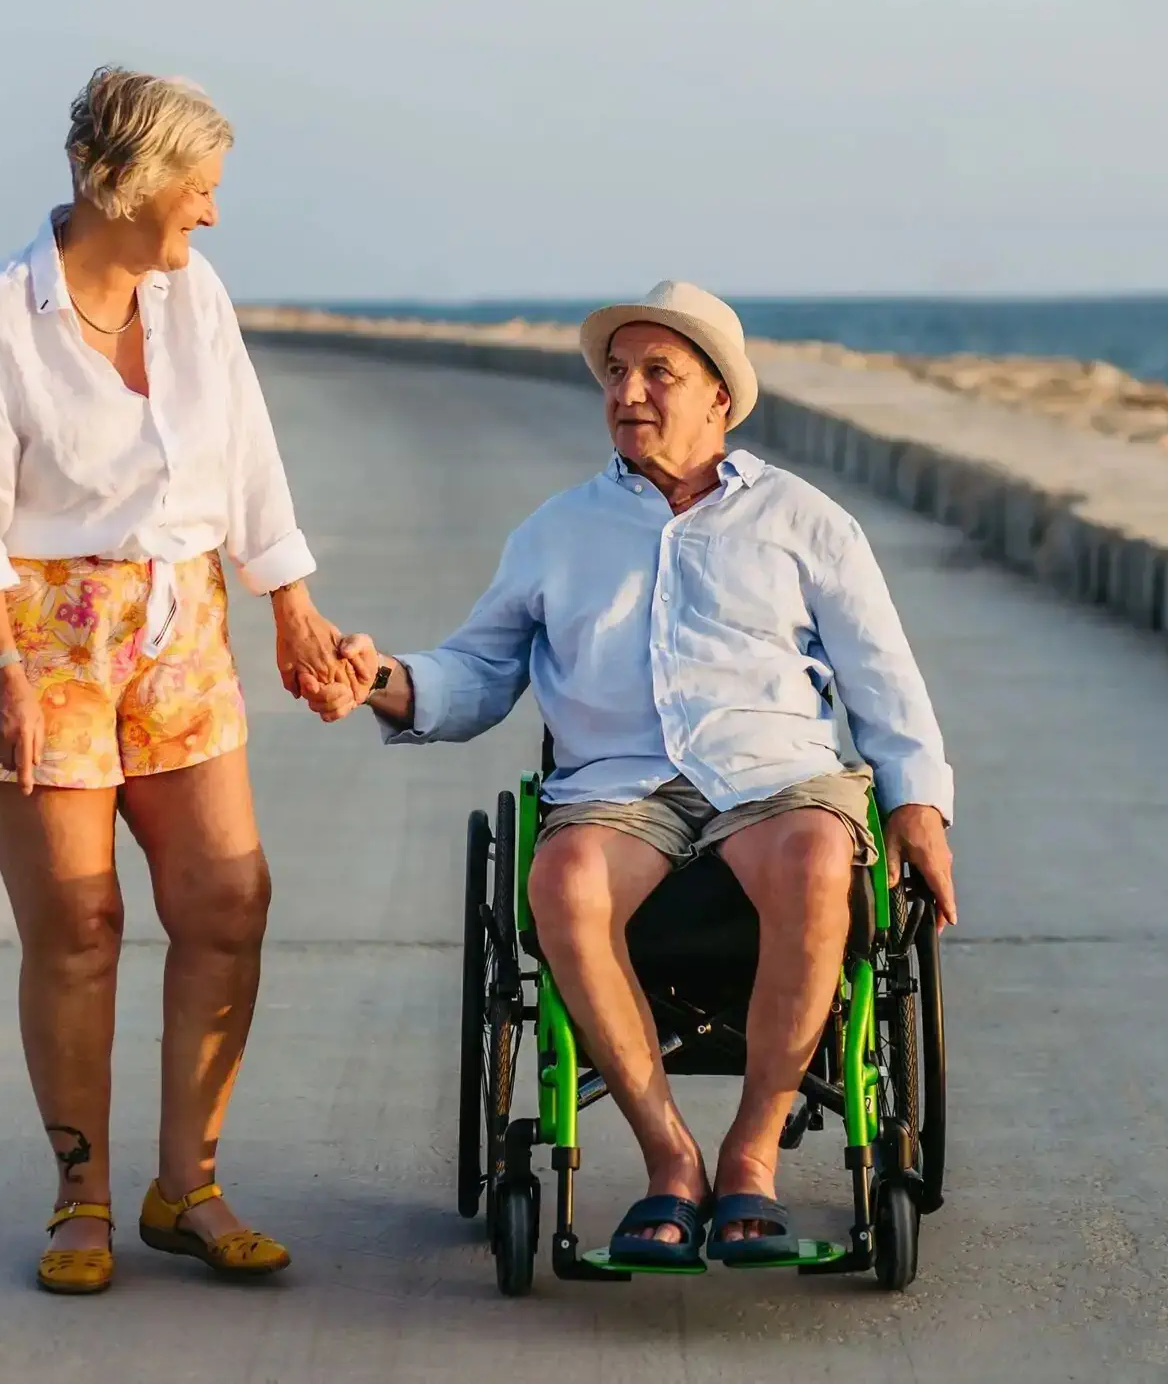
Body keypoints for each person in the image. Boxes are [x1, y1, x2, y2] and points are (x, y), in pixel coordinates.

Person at [309, 281, 957, 1268]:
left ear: (721, 401)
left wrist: (917, 806)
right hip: (618, 790)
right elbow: (476, 673)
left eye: (660, 372)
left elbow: (883, 677)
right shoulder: (557, 532)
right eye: (618, 372)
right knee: (561, 879)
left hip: (772, 780)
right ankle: (671, 1162)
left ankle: (751, 1158)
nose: (631, 391)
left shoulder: (803, 521)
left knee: (824, 856)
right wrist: (381, 679)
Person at [0, 66, 348, 1296]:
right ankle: (81, 1195)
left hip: (180, 619)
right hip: (34, 633)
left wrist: (291, 599)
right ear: (129, 184)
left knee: (229, 899)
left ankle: (187, 1187)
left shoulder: (191, 293)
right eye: (199, 189)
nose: (211, 214)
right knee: (80, 926)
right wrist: (0, 670)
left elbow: (246, 449)